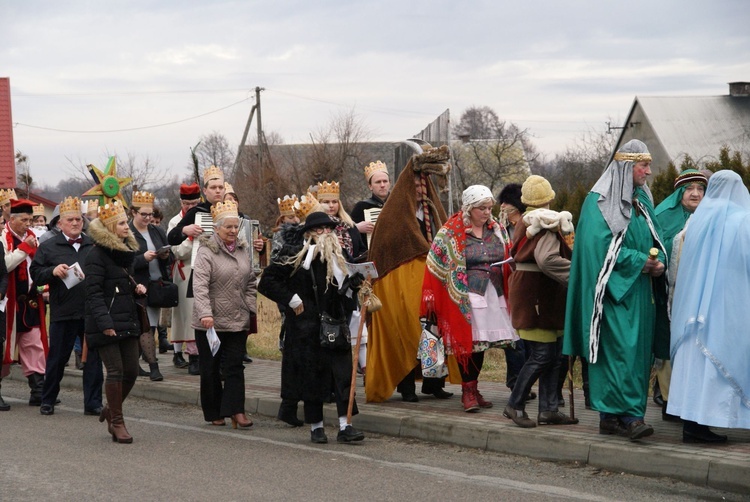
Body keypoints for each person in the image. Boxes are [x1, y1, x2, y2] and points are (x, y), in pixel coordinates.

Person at [564, 139, 668, 441]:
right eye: (643, 165)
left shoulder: (642, 200)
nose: (648, 171)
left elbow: (655, 237)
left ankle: (611, 418)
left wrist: (658, 261)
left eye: (648, 165)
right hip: (612, 296)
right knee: (619, 355)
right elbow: (597, 252)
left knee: (637, 357)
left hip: (641, 294)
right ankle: (632, 418)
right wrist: (639, 262)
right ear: (626, 167)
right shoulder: (598, 202)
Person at [258, 211, 365, 443]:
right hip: (306, 328)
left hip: (335, 324)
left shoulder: (340, 255)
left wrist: (353, 286)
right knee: (313, 378)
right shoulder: (295, 254)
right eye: (320, 229)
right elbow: (267, 282)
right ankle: (316, 427)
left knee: (342, 376)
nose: (325, 233)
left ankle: (345, 426)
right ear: (309, 233)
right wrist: (292, 300)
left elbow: (343, 294)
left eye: (329, 229)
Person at [366, 145, 453, 403]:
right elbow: (388, 247)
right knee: (407, 332)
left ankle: (433, 382)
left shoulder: (431, 211)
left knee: (433, 331)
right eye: (415, 187)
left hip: (430, 281)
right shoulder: (395, 215)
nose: (420, 191)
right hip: (402, 284)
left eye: (423, 186)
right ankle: (406, 386)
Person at [668, 170, 749, 443]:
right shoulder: (740, 219)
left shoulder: (698, 219)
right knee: (724, 356)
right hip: (728, 303)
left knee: (696, 361)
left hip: (694, 306)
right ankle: (720, 419)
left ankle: (692, 423)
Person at [422, 184, 518, 412]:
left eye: (489, 207)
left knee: (481, 344)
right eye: (481, 208)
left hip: (494, 293)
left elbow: (508, 252)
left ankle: (474, 388)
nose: (487, 212)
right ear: (469, 208)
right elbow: (434, 261)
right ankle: (467, 391)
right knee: (469, 344)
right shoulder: (451, 231)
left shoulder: (496, 229)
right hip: (466, 297)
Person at [502, 176, 577, 427]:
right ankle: (515, 404)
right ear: (549, 198)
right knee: (543, 354)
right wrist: (577, 273)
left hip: (540, 295)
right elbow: (546, 261)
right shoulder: (545, 222)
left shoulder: (528, 221)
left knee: (554, 354)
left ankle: (549, 409)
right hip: (537, 297)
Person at [30, 196, 104, 416]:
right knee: (57, 358)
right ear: (60, 223)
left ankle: (93, 402)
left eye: (78, 220)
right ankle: (48, 399)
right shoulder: (49, 246)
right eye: (70, 220)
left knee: (92, 360)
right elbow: (36, 275)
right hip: (63, 310)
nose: (74, 223)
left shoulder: (93, 244)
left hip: (90, 310)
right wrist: (53, 272)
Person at [84, 201, 146, 443]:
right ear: (110, 227)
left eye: (125, 222)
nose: (126, 227)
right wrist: (104, 321)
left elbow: (121, 284)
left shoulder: (125, 252)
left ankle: (111, 409)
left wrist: (137, 290)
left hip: (127, 318)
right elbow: (93, 293)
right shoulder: (95, 255)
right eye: (121, 223)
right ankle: (117, 422)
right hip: (105, 322)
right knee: (116, 371)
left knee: (131, 371)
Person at [192, 200, 257, 428]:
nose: (232, 231)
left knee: (235, 366)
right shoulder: (206, 252)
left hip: (238, 319)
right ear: (217, 228)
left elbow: (251, 281)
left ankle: (236, 411)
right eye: (227, 227)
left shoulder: (242, 250)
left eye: (235, 227)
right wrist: (205, 314)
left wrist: (249, 305)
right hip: (211, 322)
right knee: (210, 368)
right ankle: (214, 412)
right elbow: (199, 286)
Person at [653, 168, 708, 420]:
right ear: (679, 192)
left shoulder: (709, 215)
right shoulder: (664, 217)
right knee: (667, 344)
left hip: (700, 295)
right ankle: (668, 399)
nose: (696, 194)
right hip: (667, 293)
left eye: (700, 189)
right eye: (690, 189)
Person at [2, 198, 47, 406]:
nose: (29, 224)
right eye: (25, 220)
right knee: (4, 345)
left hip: (29, 300)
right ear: (12, 219)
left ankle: (38, 389)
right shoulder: (3, 238)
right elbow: (5, 266)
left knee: (34, 343)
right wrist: (24, 250)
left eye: (31, 219)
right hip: (7, 301)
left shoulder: (31, 236)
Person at [497, 183, 537, 401]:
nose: (502, 207)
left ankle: (521, 381)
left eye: (507, 203)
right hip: (505, 287)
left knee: (527, 341)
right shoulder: (499, 227)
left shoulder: (529, 225)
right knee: (515, 341)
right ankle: (516, 382)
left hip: (525, 288)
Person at [129, 191, 172, 382]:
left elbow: (170, 255)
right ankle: (154, 367)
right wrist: (142, 259)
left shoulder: (157, 231)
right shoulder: (127, 232)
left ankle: (134, 364)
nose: (148, 218)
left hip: (156, 284)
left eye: (150, 214)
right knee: (145, 327)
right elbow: (124, 262)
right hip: (137, 285)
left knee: (150, 326)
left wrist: (165, 256)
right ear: (133, 213)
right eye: (143, 214)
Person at [167, 183, 201, 371]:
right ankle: (191, 355)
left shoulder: (204, 216)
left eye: (195, 203)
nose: (191, 207)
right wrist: (189, 239)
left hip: (204, 269)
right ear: (181, 202)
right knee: (187, 314)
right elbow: (177, 251)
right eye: (187, 204)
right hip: (185, 271)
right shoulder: (175, 222)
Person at [350, 161, 391, 252]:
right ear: (370, 186)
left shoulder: (398, 204)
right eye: (378, 182)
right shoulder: (361, 207)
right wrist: (356, 228)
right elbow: (348, 233)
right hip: (371, 255)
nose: (382, 185)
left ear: (389, 183)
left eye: (385, 181)